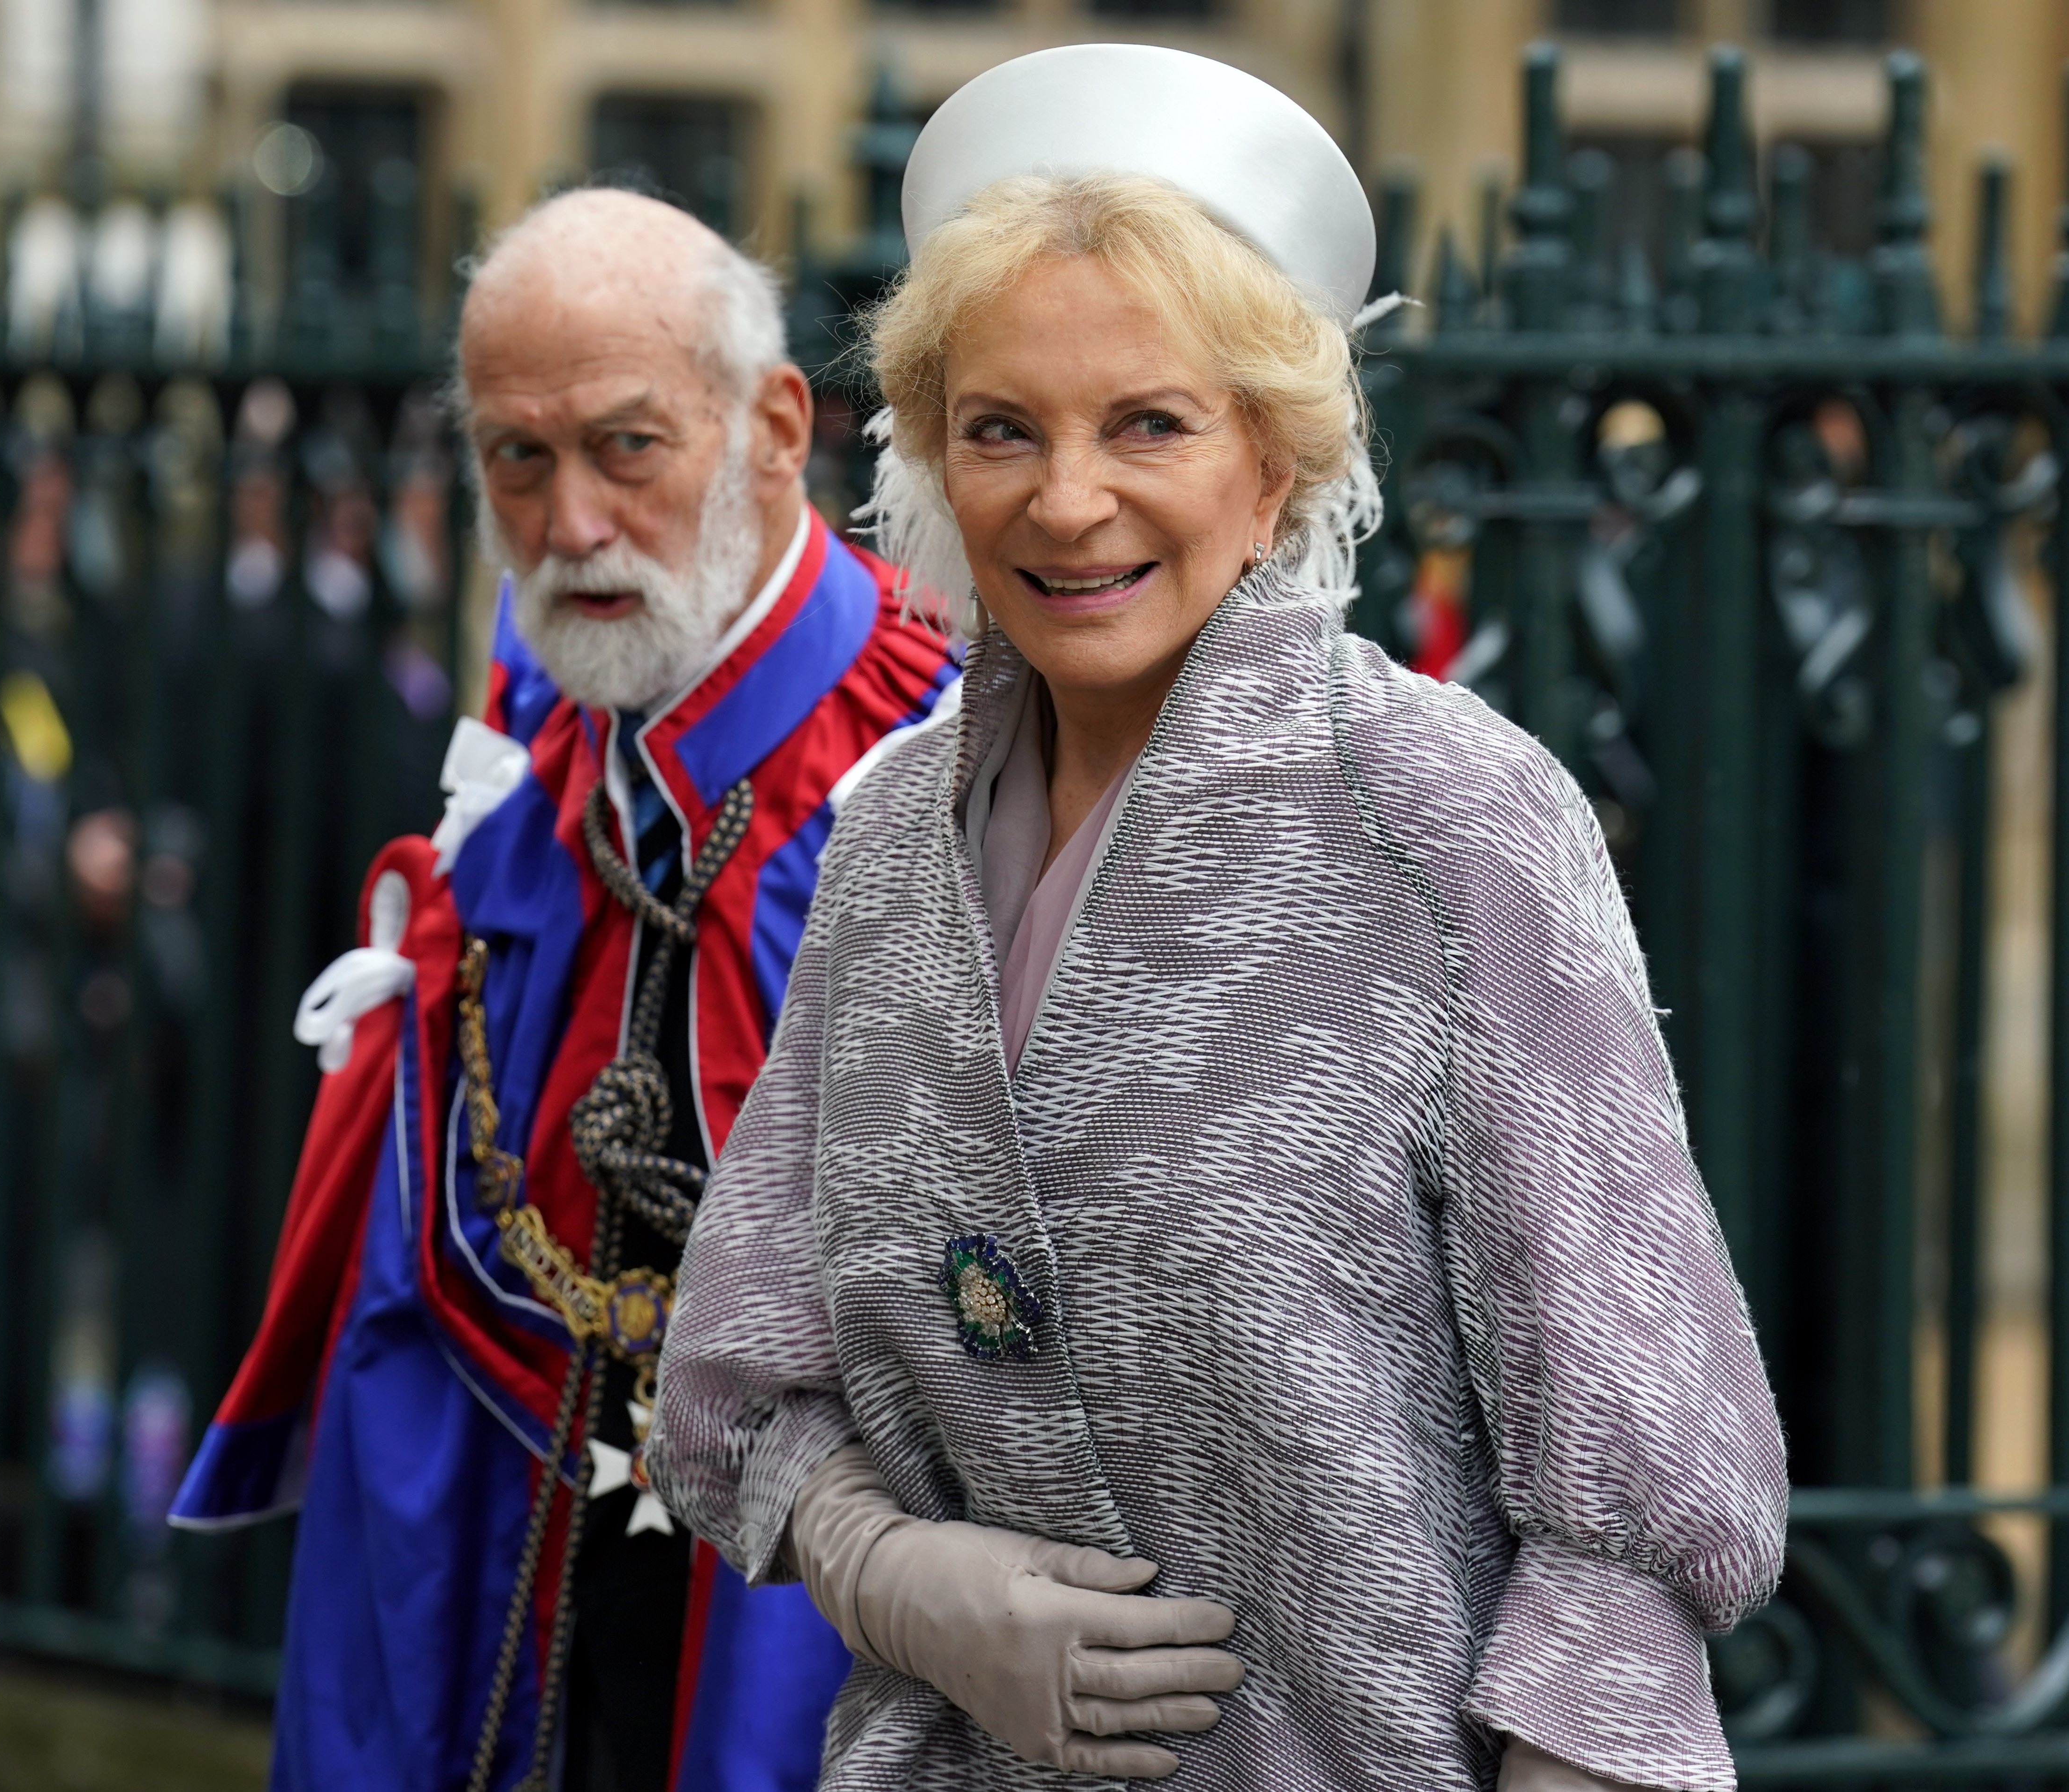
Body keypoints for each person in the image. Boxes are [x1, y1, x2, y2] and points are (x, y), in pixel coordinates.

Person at [647, 45, 1786, 1792]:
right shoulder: (883, 837)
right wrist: (892, 1574)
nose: (1067, 497)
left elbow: (1633, 1513)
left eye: (1149, 424)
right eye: (1000, 428)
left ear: (1275, 464)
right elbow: (742, 1387)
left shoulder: (1449, 823)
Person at [170, 188, 962, 1792]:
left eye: (626, 447)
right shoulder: (540, 782)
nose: (571, 523)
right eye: (515, 460)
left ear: (773, 427)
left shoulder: (947, 765)